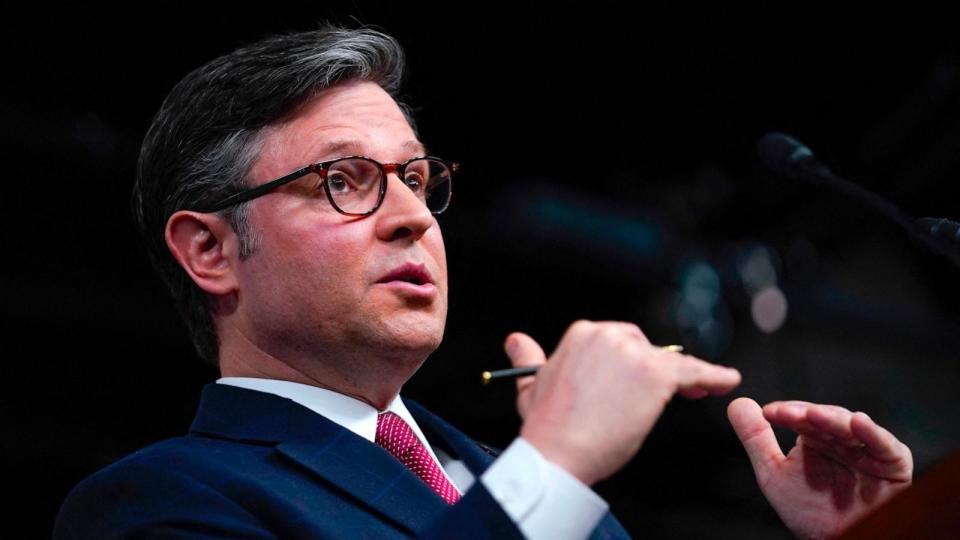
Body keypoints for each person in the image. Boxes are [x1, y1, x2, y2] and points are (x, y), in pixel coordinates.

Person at [53, 26, 913, 539]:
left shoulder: (521, 482)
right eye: (347, 180)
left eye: (418, 181)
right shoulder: (156, 503)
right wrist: (555, 466)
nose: (413, 218)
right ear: (210, 251)